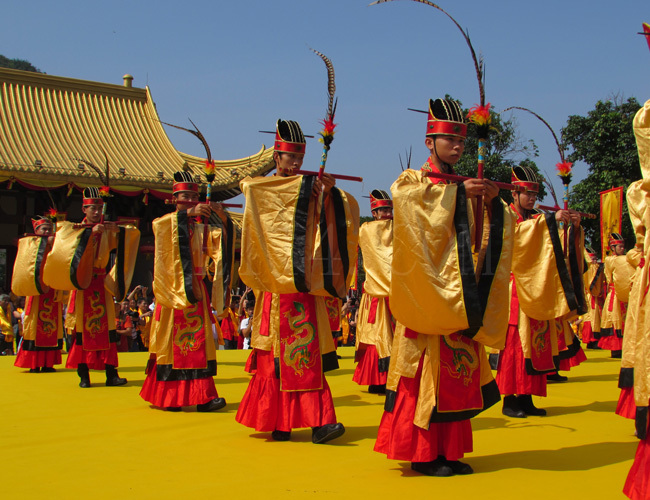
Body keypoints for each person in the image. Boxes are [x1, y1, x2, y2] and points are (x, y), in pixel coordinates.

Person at [235, 119, 359, 444]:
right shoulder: (267, 187)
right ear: (276, 157)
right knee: (277, 359)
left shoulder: (310, 188)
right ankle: (279, 420)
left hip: (304, 284)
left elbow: (327, 228)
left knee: (306, 356)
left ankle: (319, 422)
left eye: (299, 158)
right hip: (275, 292)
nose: (295, 164)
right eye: (290, 158)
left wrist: (328, 195)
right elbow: (247, 186)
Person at [496, 165, 583, 418]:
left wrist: (570, 229)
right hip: (515, 290)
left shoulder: (535, 218)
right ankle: (510, 400)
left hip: (536, 288)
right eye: (527, 193)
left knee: (535, 346)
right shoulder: (506, 215)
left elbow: (550, 248)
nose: (532, 198)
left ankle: (527, 398)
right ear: (514, 193)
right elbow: (517, 238)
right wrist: (548, 221)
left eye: (535, 194)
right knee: (515, 346)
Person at [139, 171, 230, 412]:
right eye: (185, 196)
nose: (190, 200)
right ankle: (170, 397)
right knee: (170, 344)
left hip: (197, 292)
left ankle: (203, 397)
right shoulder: (166, 222)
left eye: (193, 196)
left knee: (198, 344)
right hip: (171, 292)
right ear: (175, 198)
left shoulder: (202, 228)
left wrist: (222, 219)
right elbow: (159, 229)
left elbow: (220, 248)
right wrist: (187, 214)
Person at [43, 187, 140, 387]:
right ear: (84, 209)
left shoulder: (105, 228)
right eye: (92, 208)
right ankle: (84, 375)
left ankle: (111, 374)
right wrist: (88, 232)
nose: (96, 212)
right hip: (82, 285)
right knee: (81, 332)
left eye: (99, 208)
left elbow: (130, 234)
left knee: (108, 331)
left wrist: (119, 231)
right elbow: (64, 241)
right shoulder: (75, 228)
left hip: (101, 285)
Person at [352, 189, 394, 394]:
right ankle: (376, 379)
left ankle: (393, 380)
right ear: (374, 213)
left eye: (389, 209)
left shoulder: (400, 228)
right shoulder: (366, 229)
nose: (386, 214)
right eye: (382, 210)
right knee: (375, 336)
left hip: (396, 294)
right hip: (376, 294)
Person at [13, 215, 63, 372]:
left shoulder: (55, 244)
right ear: (36, 230)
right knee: (34, 327)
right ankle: (34, 363)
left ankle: (48, 363)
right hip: (36, 292)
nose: (47, 231)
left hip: (51, 290)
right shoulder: (30, 244)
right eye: (44, 229)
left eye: (49, 229)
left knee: (52, 328)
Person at [599, 233, 635, 358]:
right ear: (613, 248)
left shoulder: (626, 258)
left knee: (626, 320)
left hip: (625, 292)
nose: (622, 248)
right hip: (614, 294)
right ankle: (615, 349)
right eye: (619, 246)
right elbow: (608, 277)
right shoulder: (609, 260)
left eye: (623, 246)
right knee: (615, 320)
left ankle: (627, 347)